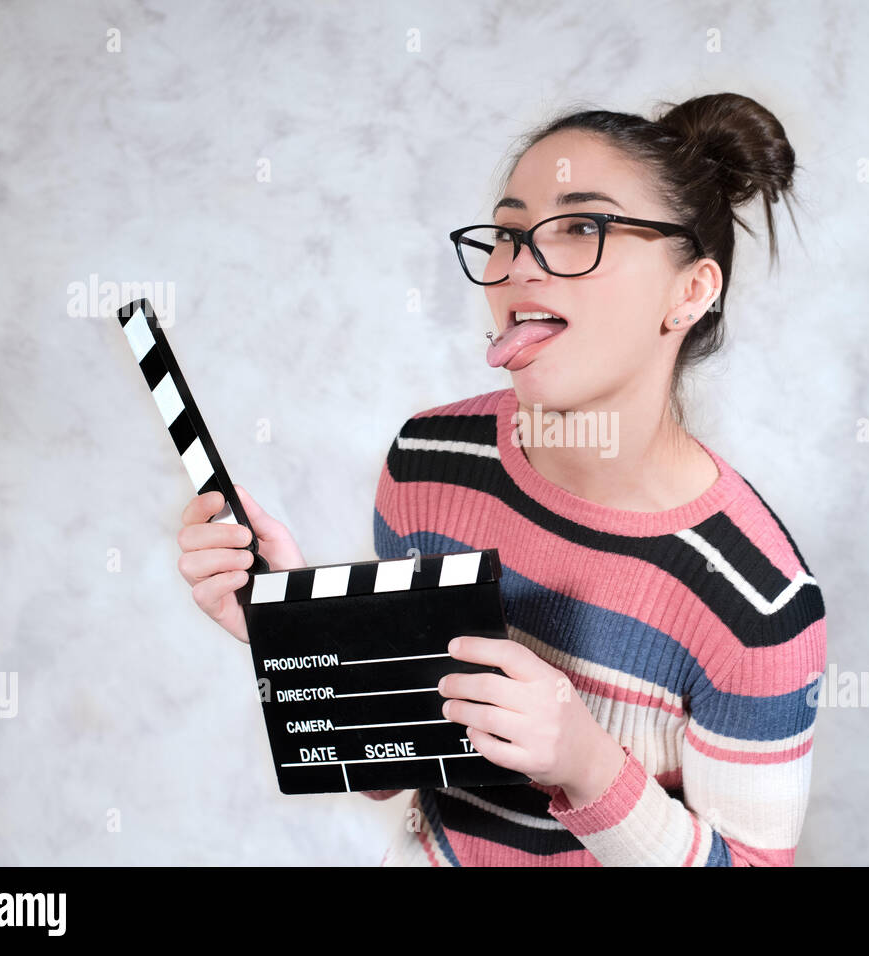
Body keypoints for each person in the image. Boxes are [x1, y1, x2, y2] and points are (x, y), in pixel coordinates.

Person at [177, 92, 827, 866]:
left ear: (690, 292)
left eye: (582, 226)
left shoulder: (760, 601)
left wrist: (587, 767)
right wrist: (304, 639)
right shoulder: (429, 463)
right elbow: (405, 764)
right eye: (511, 232)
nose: (521, 261)